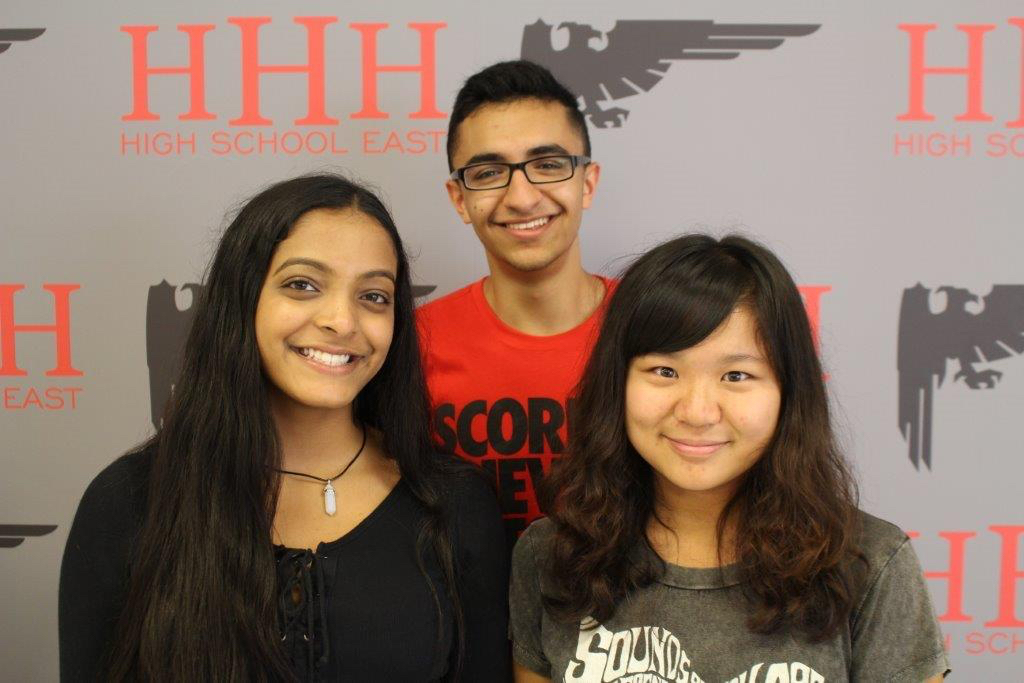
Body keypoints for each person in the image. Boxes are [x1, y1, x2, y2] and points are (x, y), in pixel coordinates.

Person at [59, 174, 509, 682]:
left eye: (374, 296)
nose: (342, 320)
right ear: (242, 298)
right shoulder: (129, 502)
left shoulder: (454, 505)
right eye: (302, 285)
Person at [510, 234, 949, 682]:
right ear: (616, 383)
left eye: (736, 375)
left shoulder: (869, 563)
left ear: (788, 392)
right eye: (665, 371)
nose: (697, 412)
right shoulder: (552, 554)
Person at [417, 60, 611, 543]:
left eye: (547, 165)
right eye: (488, 172)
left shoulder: (654, 326)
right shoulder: (410, 344)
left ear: (586, 182)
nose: (522, 198)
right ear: (459, 199)